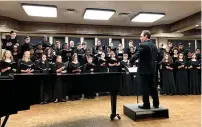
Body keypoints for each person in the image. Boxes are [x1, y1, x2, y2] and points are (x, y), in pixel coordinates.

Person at [129, 30, 159, 109]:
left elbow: (137, 55)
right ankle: (156, 103)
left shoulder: (143, 45)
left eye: (141, 36)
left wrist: (130, 61)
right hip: (152, 69)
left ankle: (146, 104)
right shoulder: (154, 45)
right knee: (153, 87)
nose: (140, 38)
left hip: (144, 70)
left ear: (146, 36)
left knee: (144, 87)